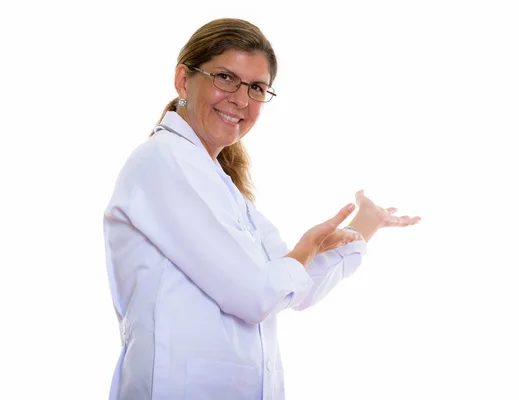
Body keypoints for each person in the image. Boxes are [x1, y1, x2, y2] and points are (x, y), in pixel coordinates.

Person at [103, 18, 420, 400]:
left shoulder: (223, 187)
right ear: (184, 80)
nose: (240, 99)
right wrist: (305, 249)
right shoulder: (160, 163)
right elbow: (255, 295)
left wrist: (363, 228)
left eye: (256, 87)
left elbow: (293, 289)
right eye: (225, 77)